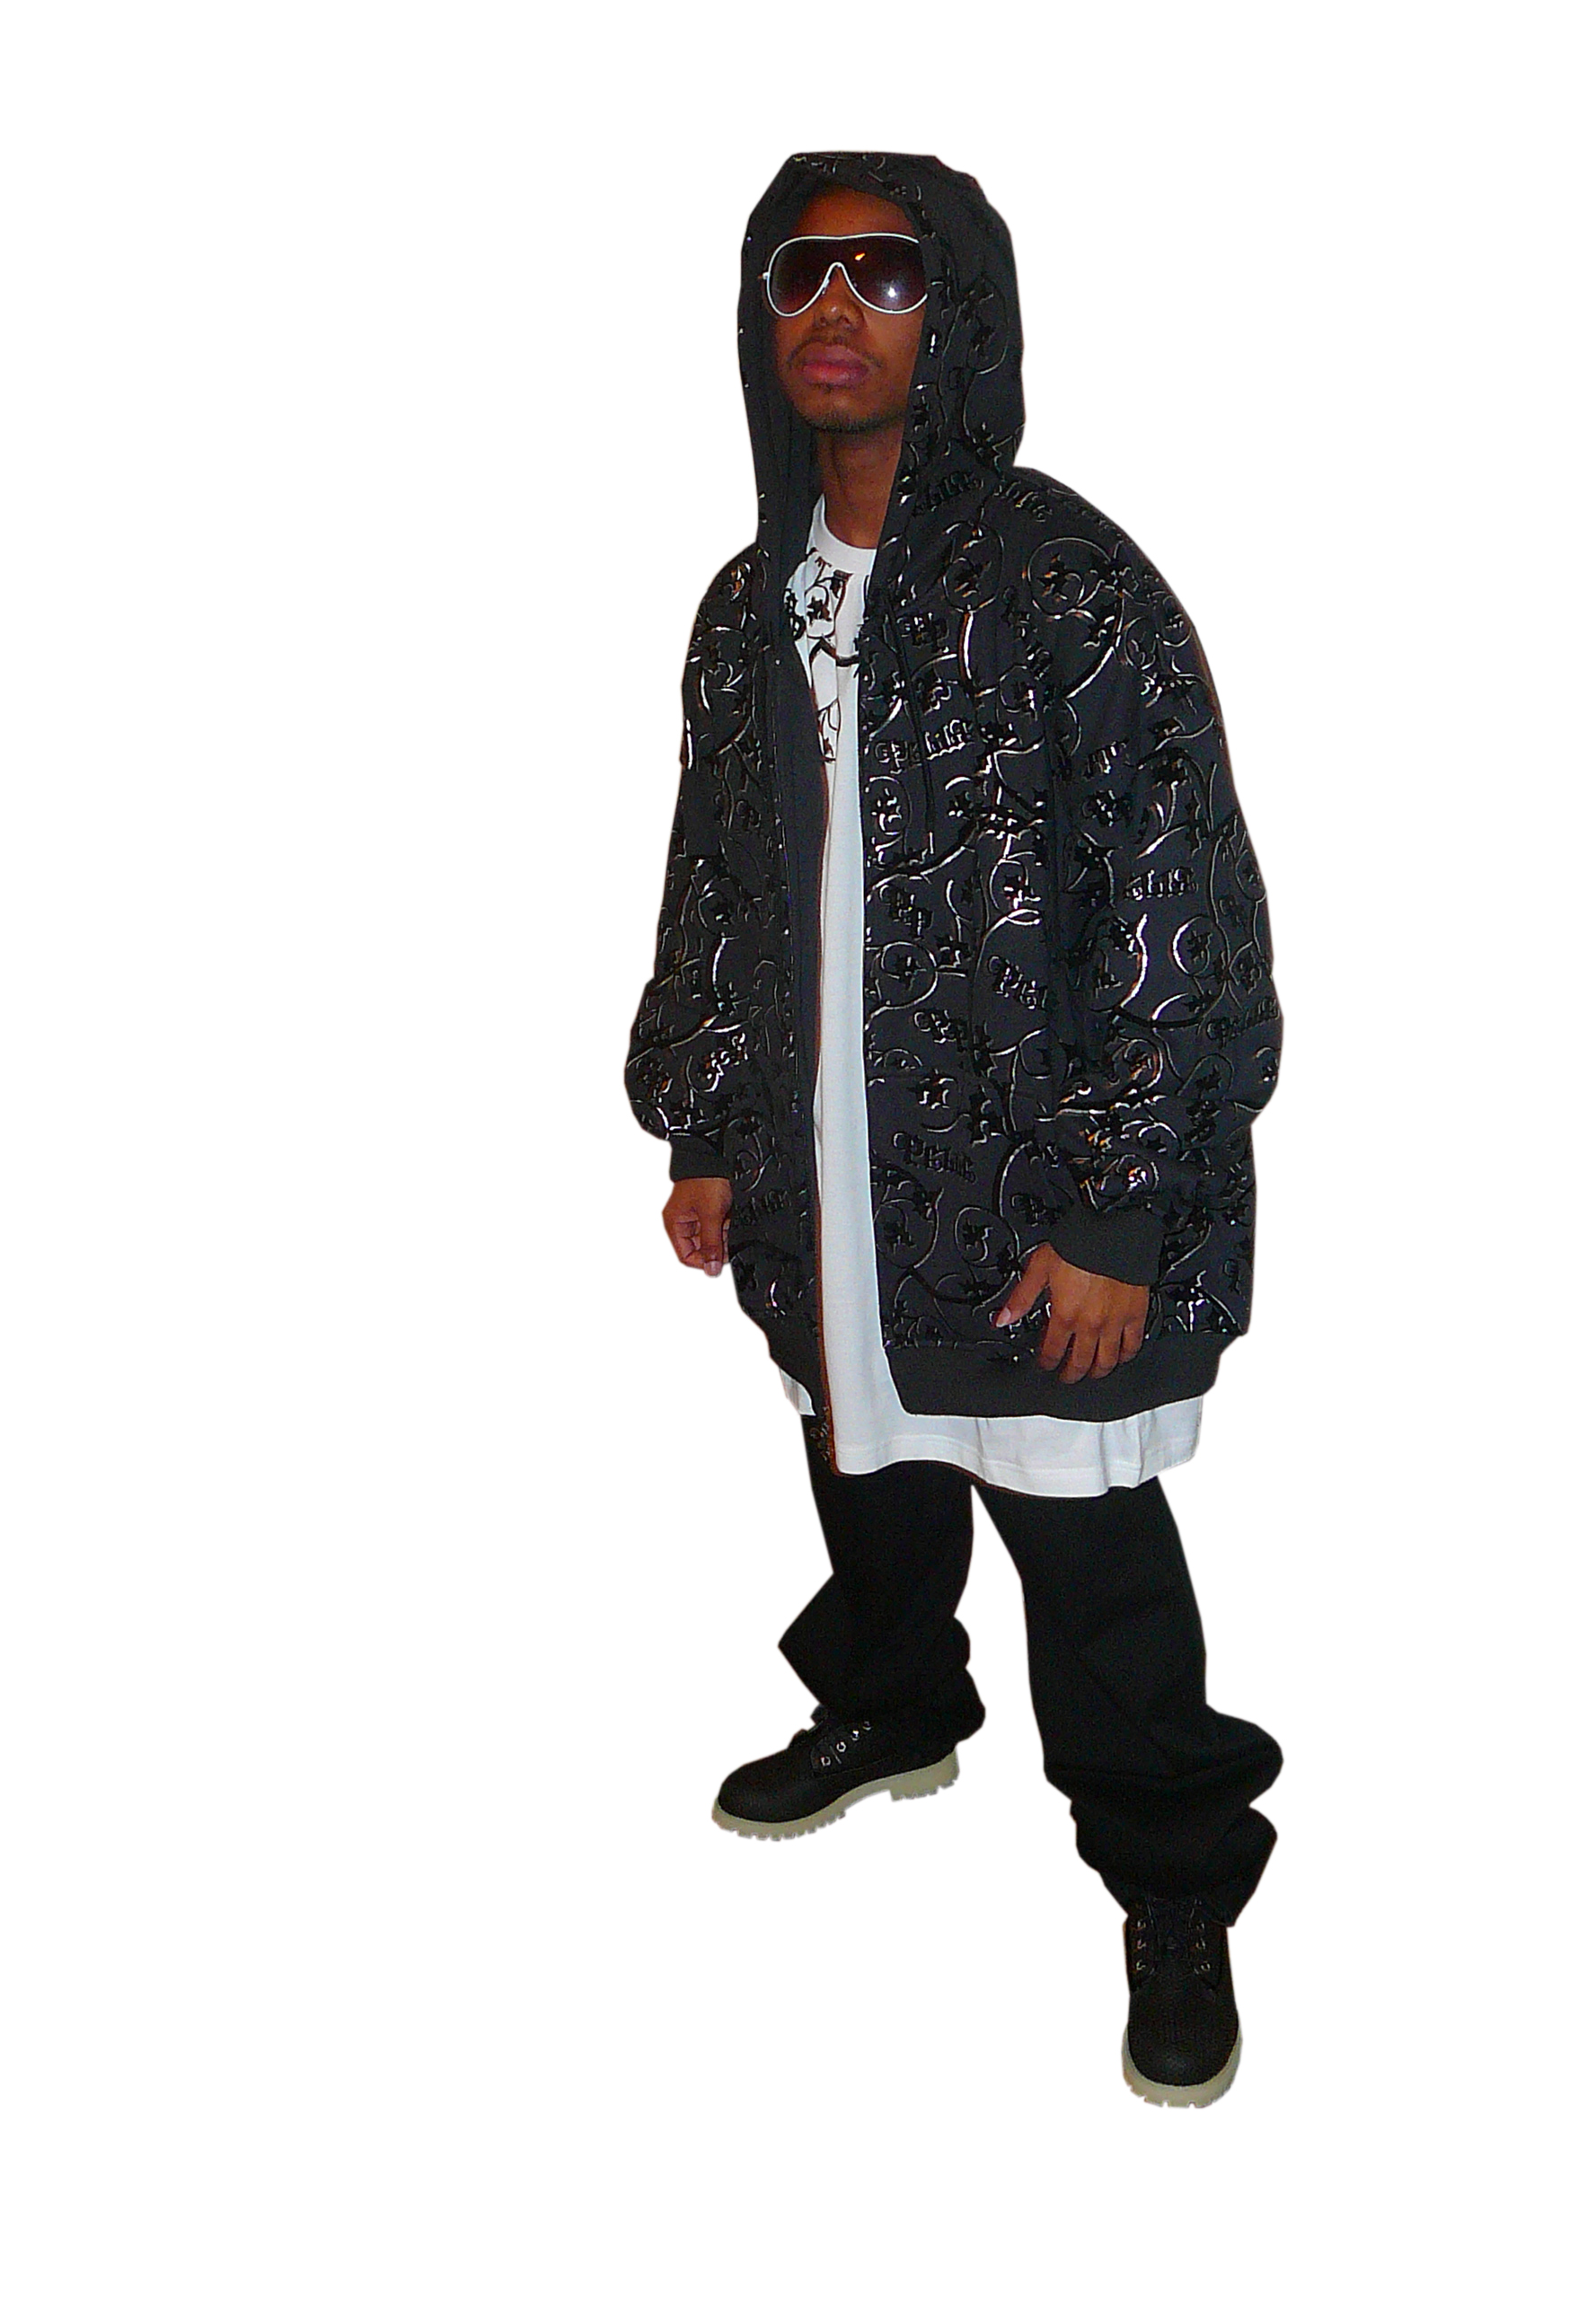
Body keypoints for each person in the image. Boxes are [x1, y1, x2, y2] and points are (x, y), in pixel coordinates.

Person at [624, 151, 1283, 2110]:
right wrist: (708, 1119)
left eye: (884, 271)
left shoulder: (1065, 586)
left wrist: (1119, 1207)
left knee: (1088, 1555)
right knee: (863, 1457)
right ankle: (895, 1699)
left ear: (959, 312)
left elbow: (1182, 910)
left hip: (1031, 1186)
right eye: (798, 271)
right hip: (827, 1162)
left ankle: (1173, 1874)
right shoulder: (749, 606)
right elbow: (715, 879)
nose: (834, 307)